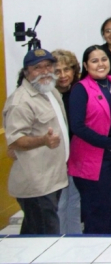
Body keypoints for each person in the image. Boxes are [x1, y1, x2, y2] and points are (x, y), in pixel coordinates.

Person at [4, 49, 69, 235]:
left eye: (48, 66)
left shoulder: (51, 91)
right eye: (37, 68)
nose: (44, 71)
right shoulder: (21, 101)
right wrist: (43, 140)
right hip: (36, 183)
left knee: (34, 231)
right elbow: (15, 140)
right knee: (45, 235)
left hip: (52, 177)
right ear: (26, 72)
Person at [68, 46, 111, 234]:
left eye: (104, 59)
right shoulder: (81, 89)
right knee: (98, 209)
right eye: (94, 61)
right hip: (93, 157)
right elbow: (77, 126)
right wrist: (109, 143)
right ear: (86, 65)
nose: (100, 64)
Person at [51, 50, 82, 234]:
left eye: (67, 70)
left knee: (74, 201)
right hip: (56, 157)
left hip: (77, 155)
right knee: (60, 203)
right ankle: (59, 240)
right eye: (57, 71)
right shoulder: (49, 97)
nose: (63, 76)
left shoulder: (78, 91)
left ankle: (74, 239)